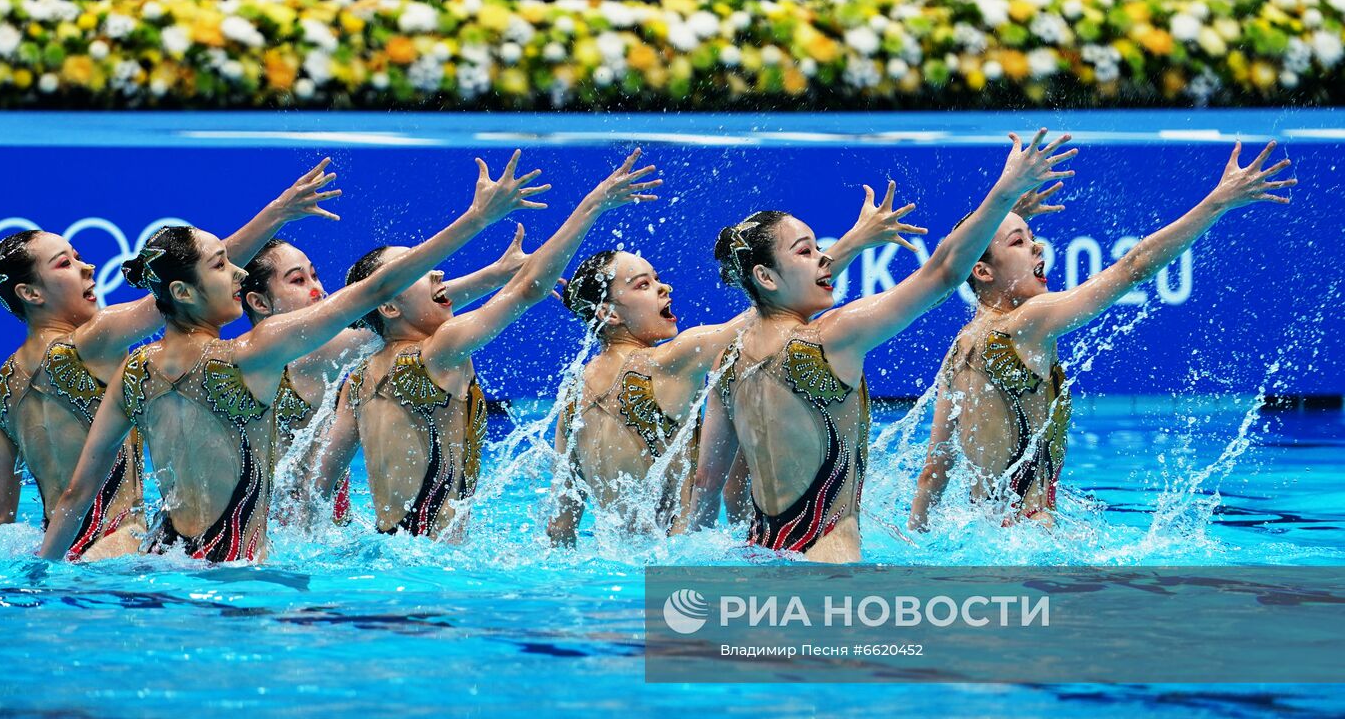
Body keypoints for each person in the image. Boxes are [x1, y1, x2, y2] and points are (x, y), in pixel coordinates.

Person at [37, 152, 548, 561]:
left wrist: (40, 579)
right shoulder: (253, 354)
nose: (237, 274)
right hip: (240, 579)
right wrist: (476, 220)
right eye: (222, 267)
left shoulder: (135, 369)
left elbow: (76, 494)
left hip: (160, 565)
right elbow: (379, 292)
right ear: (186, 292)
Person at [690, 129, 1076, 563]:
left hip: (757, 558)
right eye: (806, 252)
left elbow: (712, 485)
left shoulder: (727, 361)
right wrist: (1004, 193)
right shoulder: (832, 337)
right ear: (766, 277)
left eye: (821, 248)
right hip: (829, 566)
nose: (823, 257)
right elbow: (944, 273)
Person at [907, 141, 1294, 530]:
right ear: (983, 272)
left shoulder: (961, 349)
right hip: (1035, 532)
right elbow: (1134, 266)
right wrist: (1218, 202)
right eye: (1019, 243)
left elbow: (933, 473)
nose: (1037, 246)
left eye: (1031, 236)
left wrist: (918, 536)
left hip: (986, 531)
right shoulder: (1030, 320)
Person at [0, 160, 341, 560]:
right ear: (31, 294)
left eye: (78, 256)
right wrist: (278, 213)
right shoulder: (91, 343)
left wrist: (42, 566)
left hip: (59, 549)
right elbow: (185, 279)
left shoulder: (2, 390)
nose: (88, 267)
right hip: (121, 549)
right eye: (65, 263)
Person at [546, 180, 927, 545]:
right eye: (642, 285)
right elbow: (765, 317)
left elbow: (561, 524)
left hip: (624, 565)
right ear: (609, 314)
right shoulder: (664, 362)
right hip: (681, 556)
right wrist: (854, 242)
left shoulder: (573, 396)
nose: (664, 288)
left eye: (657, 278)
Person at [312, 150, 661, 538]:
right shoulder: (439, 352)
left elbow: (318, 487)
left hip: (385, 557)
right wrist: (592, 206)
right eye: (417, 270)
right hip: (437, 570)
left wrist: (496, 273)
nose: (439, 271)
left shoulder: (358, 379)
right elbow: (530, 290)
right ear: (390, 305)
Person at [238, 228, 530, 525]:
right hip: (312, 532)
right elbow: (403, 305)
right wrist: (495, 276)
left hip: (276, 529)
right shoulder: (311, 356)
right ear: (259, 303)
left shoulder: (244, 359)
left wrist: (495, 274)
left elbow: (402, 301)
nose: (318, 289)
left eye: (315, 275)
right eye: (299, 280)